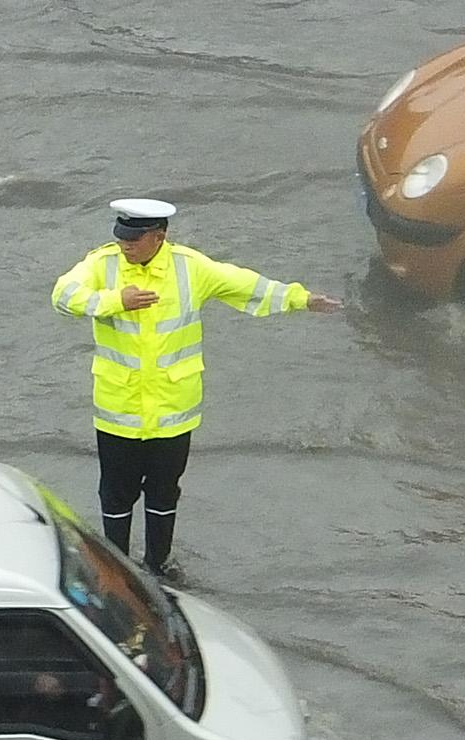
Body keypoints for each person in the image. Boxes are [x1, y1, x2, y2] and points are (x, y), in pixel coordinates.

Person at [49, 198, 338, 579]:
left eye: (135, 239)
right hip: (119, 412)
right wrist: (115, 300)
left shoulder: (190, 268)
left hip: (173, 412)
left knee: (164, 492)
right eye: (121, 238)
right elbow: (63, 296)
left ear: (159, 236)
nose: (126, 246)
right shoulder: (102, 265)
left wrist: (302, 299)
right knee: (116, 494)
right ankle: (116, 570)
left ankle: (157, 565)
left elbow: (246, 286)